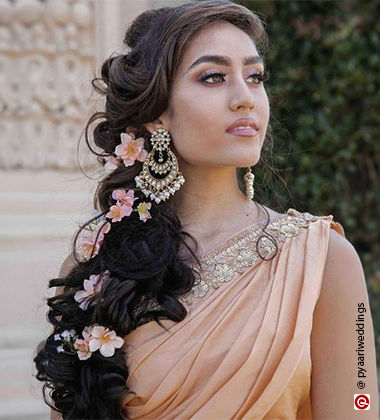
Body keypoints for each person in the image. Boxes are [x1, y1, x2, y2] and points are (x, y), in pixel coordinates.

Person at [34, 1, 379, 419]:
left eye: (255, 77)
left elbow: (359, 405)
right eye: (214, 77)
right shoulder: (96, 265)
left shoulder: (323, 260)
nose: (245, 98)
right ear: (157, 113)